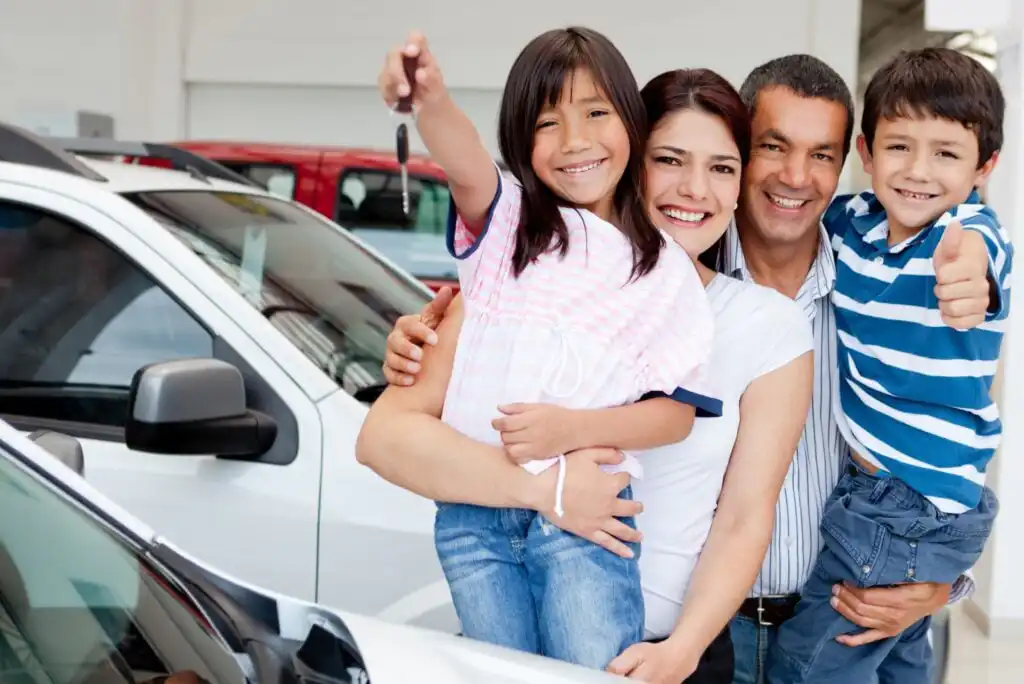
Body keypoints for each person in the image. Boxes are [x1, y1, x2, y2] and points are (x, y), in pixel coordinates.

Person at [378, 53, 1000, 684]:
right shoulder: (555, 282)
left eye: (821, 156)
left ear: (846, 165)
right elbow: (396, 433)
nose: (794, 175)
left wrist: (937, 579)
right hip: (673, 633)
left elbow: (948, 420)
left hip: (821, 618)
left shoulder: (873, 288)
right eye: (772, 147)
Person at [361, 63, 816, 683]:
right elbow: (384, 438)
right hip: (519, 637)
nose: (695, 190)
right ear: (630, 156)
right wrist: (544, 492)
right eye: (670, 160)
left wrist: (682, 650)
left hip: (663, 657)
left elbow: (744, 516)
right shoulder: (525, 282)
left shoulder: (767, 326)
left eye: (721, 168)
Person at [767, 47, 1011, 684]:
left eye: (947, 154)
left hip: (904, 505)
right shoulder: (852, 224)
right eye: (900, 148)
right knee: (901, 662)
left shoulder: (966, 232)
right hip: (890, 502)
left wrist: (970, 280)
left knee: (808, 666)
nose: (919, 172)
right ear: (866, 153)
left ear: (985, 167)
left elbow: (981, 255)